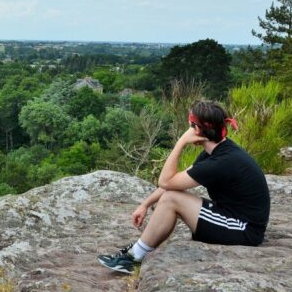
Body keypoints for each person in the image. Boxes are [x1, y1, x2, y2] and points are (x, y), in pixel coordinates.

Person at [98, 100, 270, 274]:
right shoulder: (217, 152)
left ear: (196, 130)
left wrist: (180, 143)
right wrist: (145, 204)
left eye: (189, 125)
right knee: (171, 196)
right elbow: (175, 182)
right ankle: (137, 250)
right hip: (233, 218)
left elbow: (165, 181)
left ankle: (135, 258)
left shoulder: (220, 162)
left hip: (244, 230)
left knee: (172, 200)